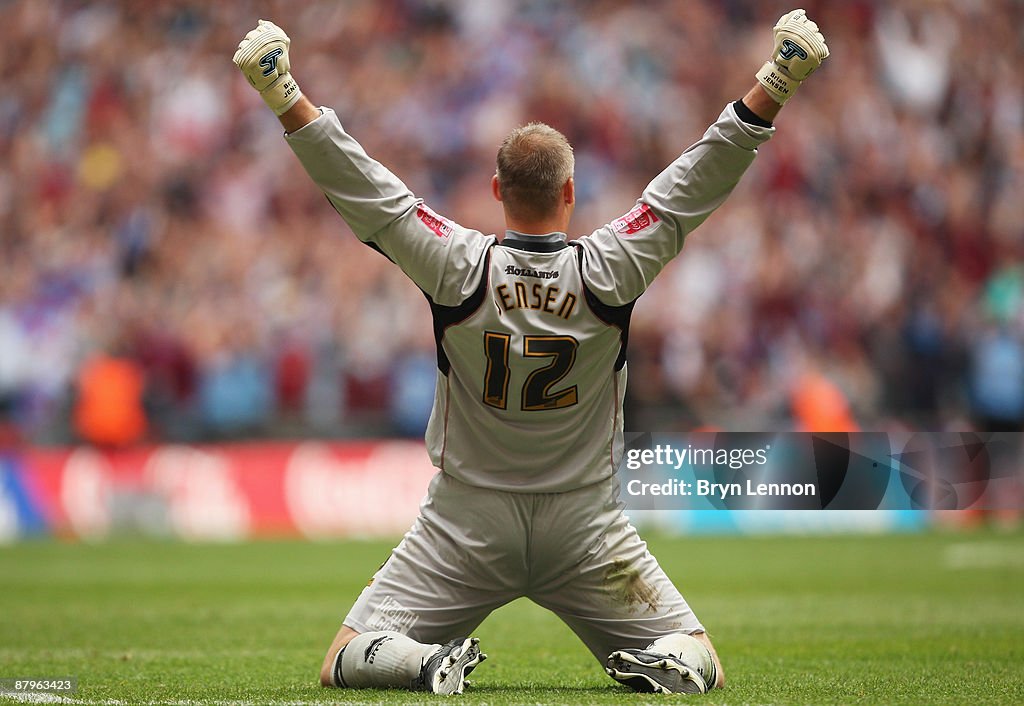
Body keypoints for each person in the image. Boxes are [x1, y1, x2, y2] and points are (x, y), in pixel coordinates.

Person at [234, 8, 828, 695]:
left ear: (496, 193)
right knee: (703, 659)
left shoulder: (459, 265)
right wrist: (776, 82)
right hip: (584, 523)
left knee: (346, 656)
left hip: (466, 519)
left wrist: (285, 95)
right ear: (569, 194)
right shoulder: (607, 268)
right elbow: (688, 189)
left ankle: (427, 664)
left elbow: (373, 195)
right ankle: (666, 664)